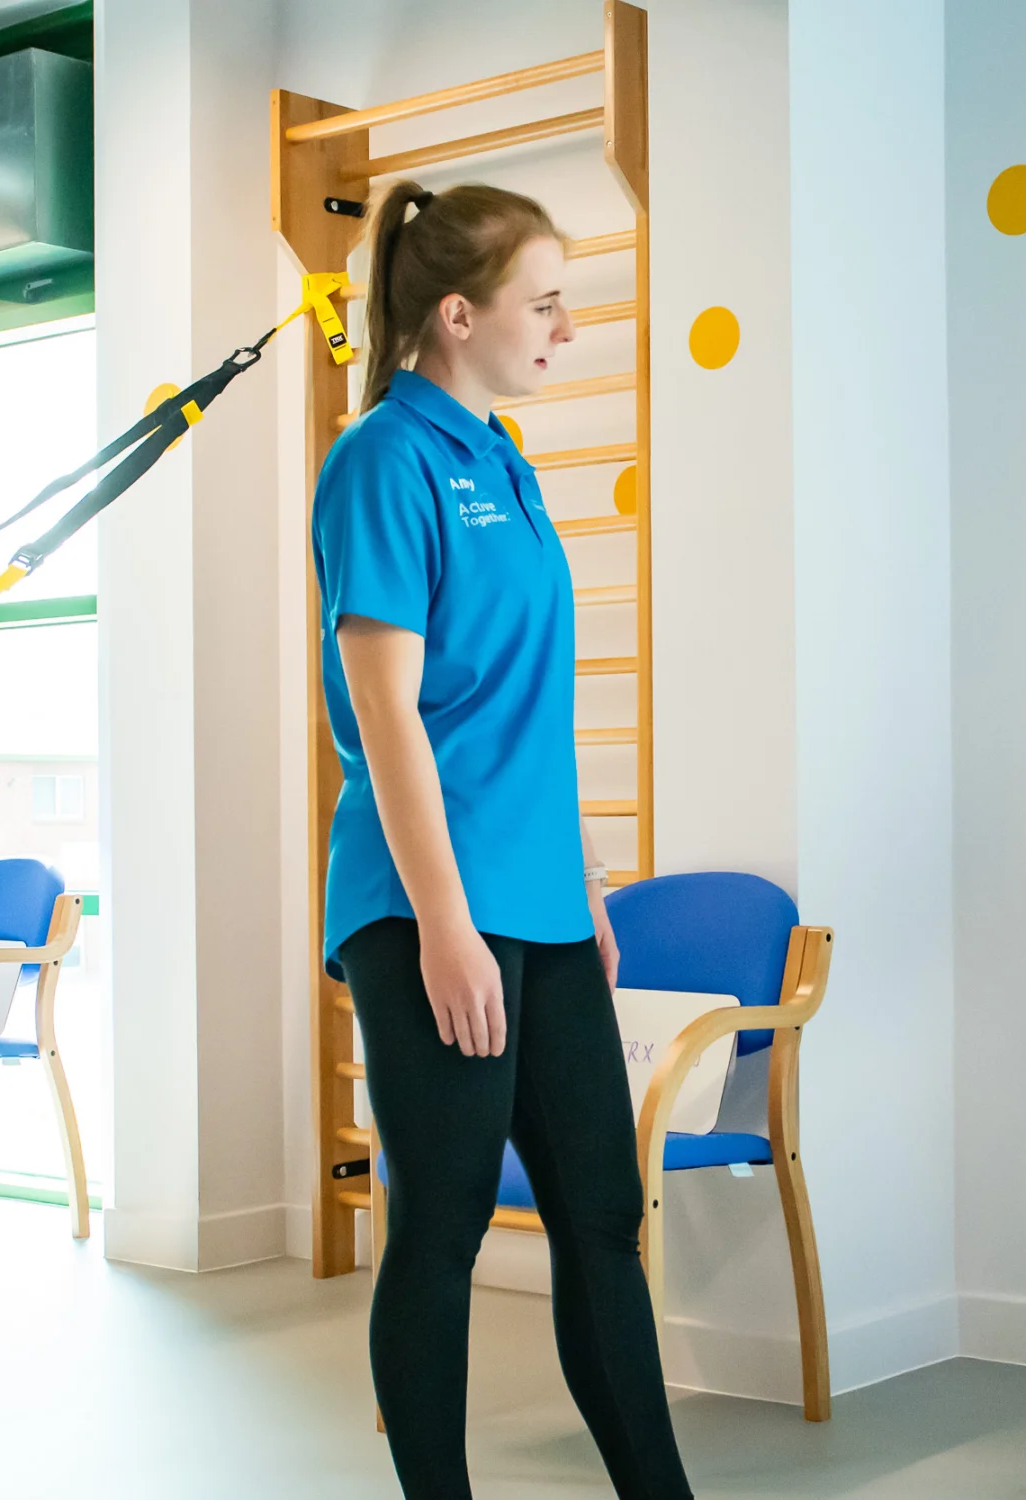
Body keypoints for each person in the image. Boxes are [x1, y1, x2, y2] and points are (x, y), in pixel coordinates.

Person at [319, 179, 690, 1500]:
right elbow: (389, 720)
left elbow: (531, 709)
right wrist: (447, 924)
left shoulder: (507, 461)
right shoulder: (381, 461)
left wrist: (576, 880)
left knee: (601, 1211)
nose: (568, 328)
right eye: (545, 302)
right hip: (427, 907)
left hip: (533, 903)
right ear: (458, 314)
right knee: (444, 1221)